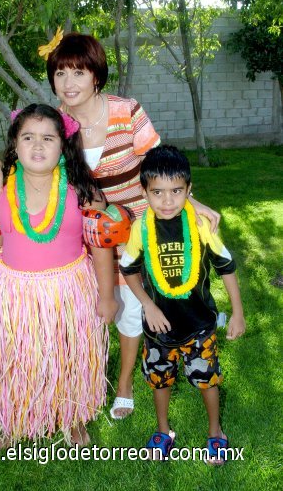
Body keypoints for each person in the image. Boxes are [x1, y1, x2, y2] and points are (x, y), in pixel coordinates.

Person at [0, 31, 221, 420]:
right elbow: (28, 151)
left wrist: (193, 201)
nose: (68, 84)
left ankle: (123, 384)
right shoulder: (58, 121)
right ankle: (73, 380)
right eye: (60, 74)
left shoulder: (127, 111)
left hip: (136, 228)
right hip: (78, 233)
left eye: (78, 72)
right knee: (84, 311)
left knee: (126, 309)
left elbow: (159, 165)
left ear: (96, 75)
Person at [0, 104, 117, 447]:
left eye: (48, 138)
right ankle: (15, 419)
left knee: (69, 355)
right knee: (17, 359)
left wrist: (106, 295)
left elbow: (101, 245)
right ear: (14, 144)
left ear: (62, 147)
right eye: (28, 137)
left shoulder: (83, 192)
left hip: (69, 290)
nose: (38, 146)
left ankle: (72, 418)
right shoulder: (0, 190)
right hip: (16, 292)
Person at [119, 145, 245, 463]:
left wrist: (238, 313)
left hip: (199, 324)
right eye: (157, 192)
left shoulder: (200, 225)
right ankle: (163, 431)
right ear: (144, 192)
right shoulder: (141, 228)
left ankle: (215, 432)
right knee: (159, 380)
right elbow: (129, 269)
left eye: (176, 191)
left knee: (207, 380)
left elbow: (226, 267)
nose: (167, 200)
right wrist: (148, 304)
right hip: (158, 328)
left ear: (189, 190)